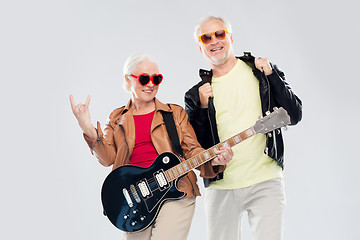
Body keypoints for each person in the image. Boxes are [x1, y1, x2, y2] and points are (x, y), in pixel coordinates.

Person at [70, 53, 233, 240]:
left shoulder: (174, 113)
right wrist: (88, 128)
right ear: (128, 79)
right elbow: (107, 158)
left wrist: (214, 159)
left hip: (176, 191)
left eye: (156, 78)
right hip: (136, 199)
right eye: (144, 78)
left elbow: (192, 150)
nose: (151, 84)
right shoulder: (116, 119)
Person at [184, 16, 302, 240]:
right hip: (221, 187)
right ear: (200, 47)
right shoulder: (196, 94)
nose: (214, 41)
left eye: (220, 34)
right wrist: (200, 107)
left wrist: (271, 74)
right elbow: (192, 147)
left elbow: (294, 115)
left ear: (230, 37)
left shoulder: (261, 72)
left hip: (265, 180)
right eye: (206, 37)